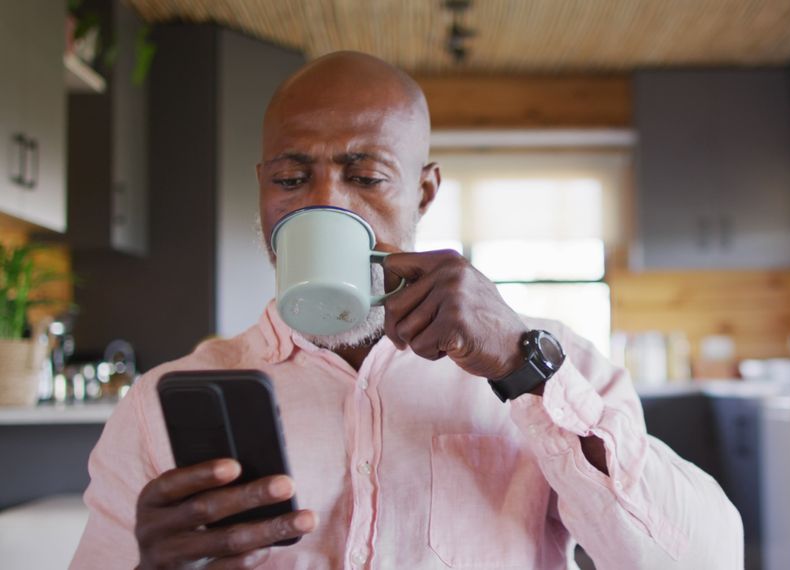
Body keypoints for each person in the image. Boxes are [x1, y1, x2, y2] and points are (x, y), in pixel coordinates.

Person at [71, 51, 743, 569]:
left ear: (424, 194)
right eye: (290, 178)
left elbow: (704, 558)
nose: (325, 205)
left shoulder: (549, 363)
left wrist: (522, 366)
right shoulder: (161, 403)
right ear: (262, 193)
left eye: (365, 177)